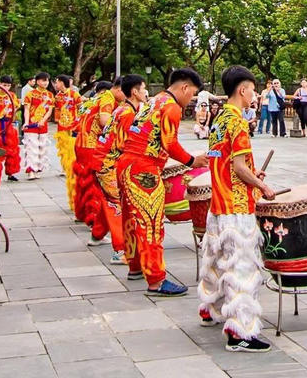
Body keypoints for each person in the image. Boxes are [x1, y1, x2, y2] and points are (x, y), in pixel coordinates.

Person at [198, 65, 277, 353]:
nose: (254, 95)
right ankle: (240, 332)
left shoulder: (218, 121)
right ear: (242, 90)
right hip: (237, 206)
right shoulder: (238, 122)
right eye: (253, 90)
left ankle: (211, 309)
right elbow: (239, 167)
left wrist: (254, 178)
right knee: (242, 266)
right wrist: (262, 186)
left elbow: (218, 160)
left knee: (218, 260)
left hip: (218, 203)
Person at [116, 68, 208, 295]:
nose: (191, 99)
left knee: (131, 219)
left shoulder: (154, 100)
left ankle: (135, 266)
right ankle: (156, 280)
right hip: (143, 170)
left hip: (125, 164)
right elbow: (170, 143)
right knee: (151, 224)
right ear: (184, 87)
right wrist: (192, 161)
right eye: (192, 93)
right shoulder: (172, 107)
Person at [100, 75, 148, 266]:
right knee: (118, 208)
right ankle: (121, 251)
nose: (146, 92)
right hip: (110, 165)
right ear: (135, 92)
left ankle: (103, 238)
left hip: (108, 163)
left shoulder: (125, 109)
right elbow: (124, 144)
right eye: (143, 88)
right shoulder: (127, 113)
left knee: (114, 205)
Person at [76, 79, 119, 248]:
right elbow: (104, 120)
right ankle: (93, 220)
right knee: (96, 187)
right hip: (92, 146)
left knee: (86, 182)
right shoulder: (107, 98)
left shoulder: (94, 98)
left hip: (81, 142)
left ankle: (93, 224)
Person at [52, 75, 81, 211]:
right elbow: (56, 111)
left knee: (73, 163)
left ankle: (75, 197)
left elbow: (81, 110)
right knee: (66, 161)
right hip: (62, 130)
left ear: (62, 82)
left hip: (74, 130)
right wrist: (58, 119)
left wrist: (77, 123)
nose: (55, 84)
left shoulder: (75, 95)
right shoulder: (57, 97)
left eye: (56, 82)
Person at [21, 72, 55, 179]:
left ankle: (38, 168)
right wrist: (26, 122)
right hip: (31, 124)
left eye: (47, 80)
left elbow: (49, 110)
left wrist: (44, 120)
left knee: (42, 147)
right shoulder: (30, 94)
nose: (46, 83)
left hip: (43, 125)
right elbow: (26, 109)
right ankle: (31, 170)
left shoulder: (50, 95)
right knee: (31, 147)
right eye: (43, 80)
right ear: (37, 81)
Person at [0, 76, 22, 182]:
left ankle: (11, 172)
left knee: (12, 147)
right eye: (4, 85)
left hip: (8, 124)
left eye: (8, 85)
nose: (5, 87)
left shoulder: (12, 96)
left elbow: (16, 108)